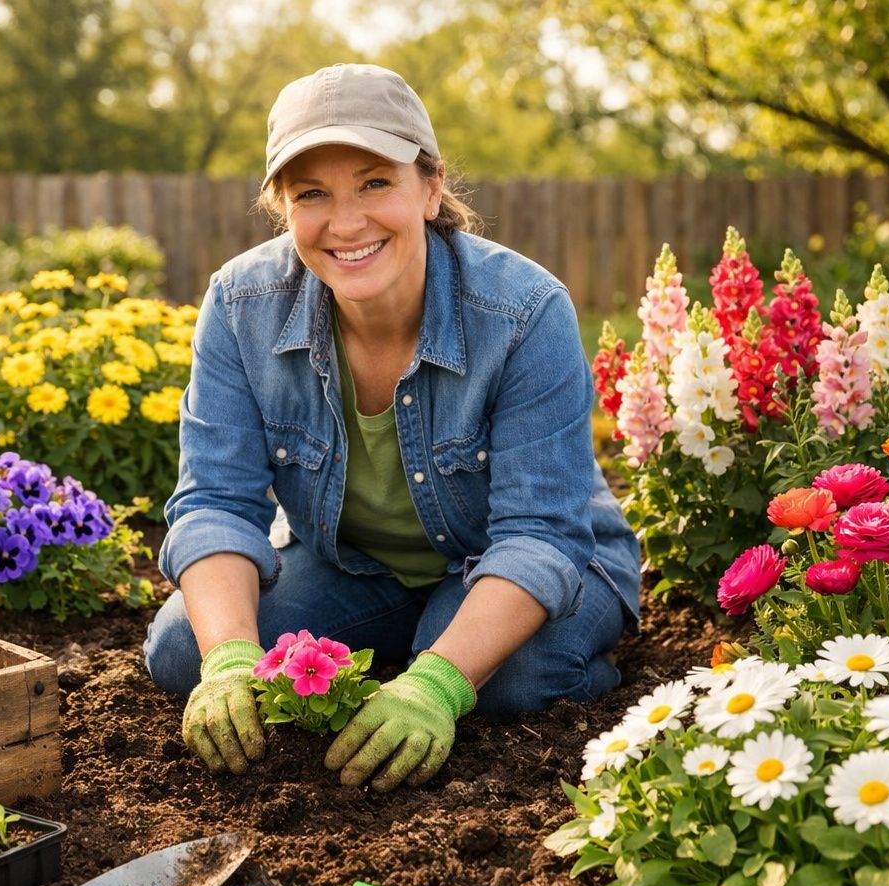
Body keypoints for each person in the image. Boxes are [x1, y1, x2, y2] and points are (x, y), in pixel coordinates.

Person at [144, 63, 641, 791]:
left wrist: (437, 683)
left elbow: (540, 534)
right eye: (312, 194)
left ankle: (517, 656)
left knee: (512, 685)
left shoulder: (524, 312)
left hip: (522, 561)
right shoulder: (240, 305)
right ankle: (415, 644)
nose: (346, 223)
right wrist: (230, 661)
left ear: (431, 185)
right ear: (283, 207)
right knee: (187, 648)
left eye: (375, 183)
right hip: (359, 568)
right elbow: (215, 502)